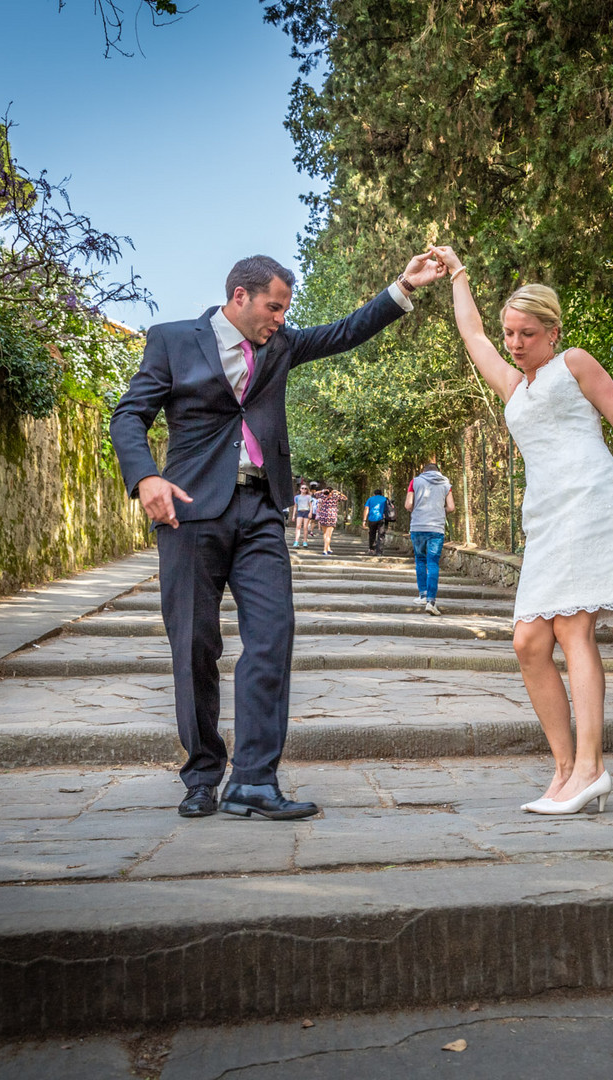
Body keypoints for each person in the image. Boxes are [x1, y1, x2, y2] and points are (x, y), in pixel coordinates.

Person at [109, 252, 444, 821]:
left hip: (262, 508)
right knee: (194, 644)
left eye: (285, 309)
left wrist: (402, 288)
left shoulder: (281, 345)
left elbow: (344, 332)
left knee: (272, 635)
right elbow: (128, 415)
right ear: (239, 297)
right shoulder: (170, 340)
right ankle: (202, 773)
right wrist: (145, 477)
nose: (281, 319)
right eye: (274, 306)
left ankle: (254, 781)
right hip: (190, 511)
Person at [431, 244, 613, 816]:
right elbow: (472, 336)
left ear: (551, 332)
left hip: (590, 500)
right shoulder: (512, 387)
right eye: (510, 333)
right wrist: (458, 274)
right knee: (528, 642)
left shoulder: (574, 362)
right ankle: (565, 767)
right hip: (545, 515)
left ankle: (592, 769)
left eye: (526, 333)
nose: (515, 343)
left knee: (574, 631)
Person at [404, 457, 455, 615]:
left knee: (420, 559)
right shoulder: (446, 484)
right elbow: (451, 507)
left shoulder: (415, 482)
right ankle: (431, 601)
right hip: (436, 528)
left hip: (418, 526)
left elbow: (408, 505)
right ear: (438, 472)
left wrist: (419, 512)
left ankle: (422, 595)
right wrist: (440, 512)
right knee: (433, 563)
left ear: (423, 472)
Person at [313, 482, 347, 555]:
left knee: (325, 534)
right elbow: (345, 498)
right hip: (332, 516)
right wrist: (338, 492)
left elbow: (315, 494)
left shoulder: (322, 495)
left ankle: (328, 548)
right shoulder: (335, 496)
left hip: (323, 515)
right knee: (328, 535)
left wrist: (322, 491)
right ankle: (325, 550)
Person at [363, 488, 389, 554]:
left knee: (372, 534)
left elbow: (366, 509)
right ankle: (379, 551)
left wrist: (364, 520)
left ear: (374, 494)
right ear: (381, 494)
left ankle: (372, 549)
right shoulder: (385, 499)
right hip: (382, 519)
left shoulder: (370, 499)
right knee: (381, 535)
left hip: (372, 519)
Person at [291, 483, 315, 548]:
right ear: (300, 489)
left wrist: (310, 512)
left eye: (305, 488)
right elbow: (295, 506)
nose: (304, 489)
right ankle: (296, 541)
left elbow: (311, 505)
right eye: (302, 488)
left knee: (305, 527)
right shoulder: (297, 497)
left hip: (306, 512)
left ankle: (305, 541)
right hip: (300, 512)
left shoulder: (309, 497)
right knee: (298, 526)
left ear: (307, 490)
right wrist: (293, 515)